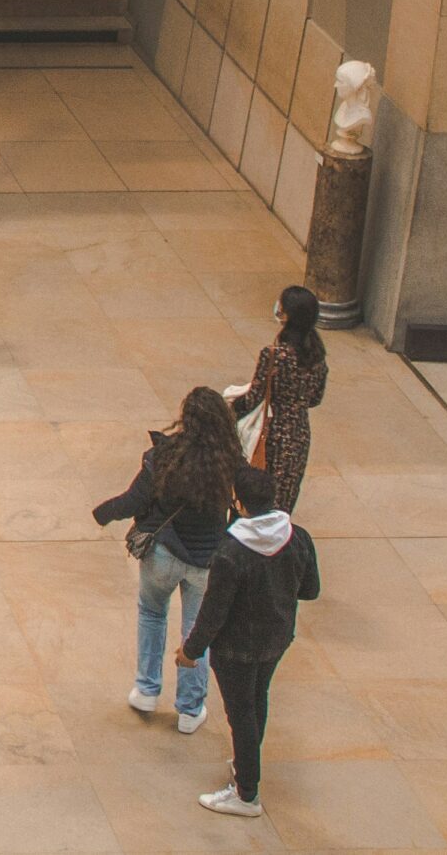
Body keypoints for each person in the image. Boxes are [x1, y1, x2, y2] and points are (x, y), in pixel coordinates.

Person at [90, 386, 244, 734]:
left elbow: (134, 499)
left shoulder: (164, 456)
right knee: (195, 633)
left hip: (163, 554)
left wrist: (104, 513)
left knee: (152, 613)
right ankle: (190, 710)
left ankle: (146, 689)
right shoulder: (230, 463)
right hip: (207, 563)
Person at [180, 463, 321, 818]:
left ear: (240, 504)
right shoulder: (298, 536)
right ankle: (246, 764)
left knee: (240, 713)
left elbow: (214, 612)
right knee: (258, 698)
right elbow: (311, 589)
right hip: (276, 638)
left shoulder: (231, 551)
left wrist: (190, 651)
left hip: (235, 649)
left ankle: (246, 794)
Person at [236, 285, 330, 513]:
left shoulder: (274, 356)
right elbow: (315, 399)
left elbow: (254, 398)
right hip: (299, 432)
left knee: (261, 494)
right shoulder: (317, 357)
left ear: (286, 314)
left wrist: (231, 407)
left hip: (273, 433)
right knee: (286, 496)